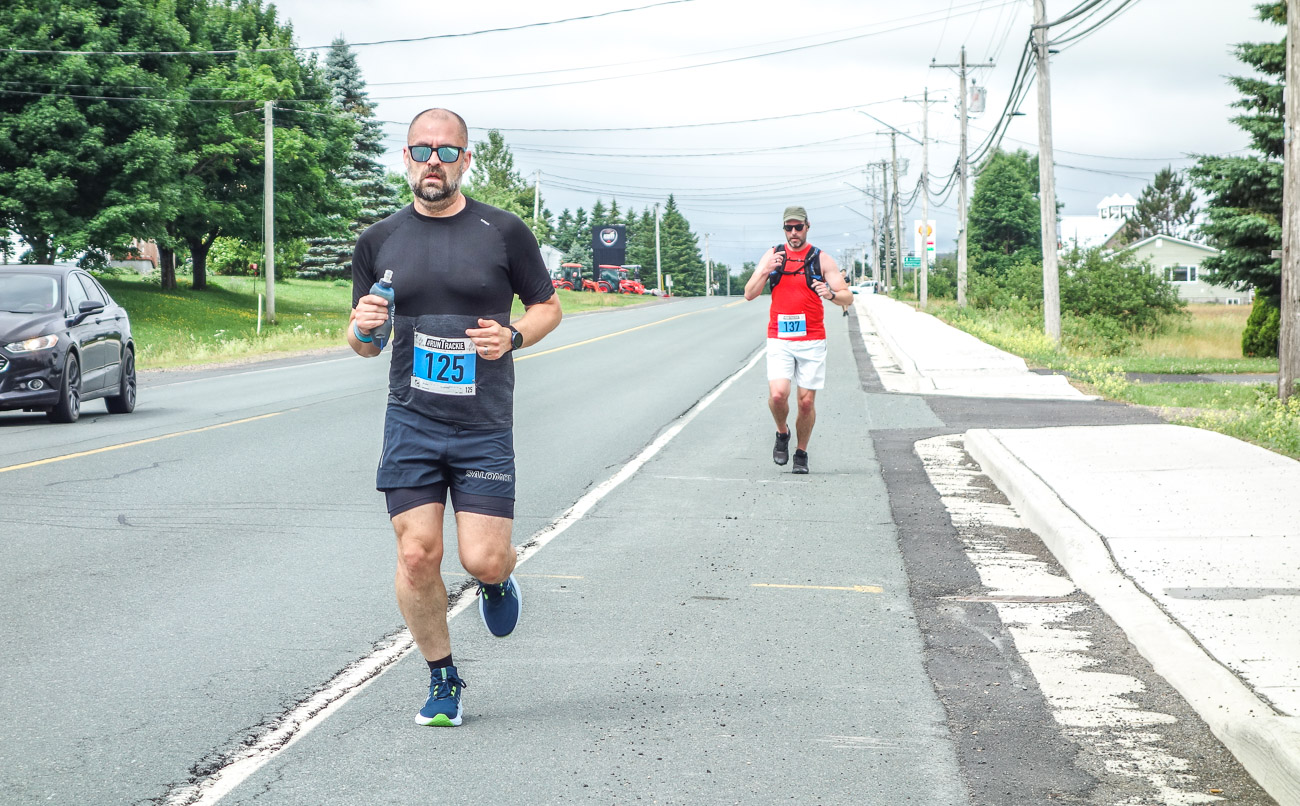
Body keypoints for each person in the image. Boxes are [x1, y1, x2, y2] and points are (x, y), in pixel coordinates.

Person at [348, 108, 562, 727]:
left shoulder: (503, 231)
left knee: (482, 559)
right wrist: (364, 329)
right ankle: (443, 678)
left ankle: (498, 581)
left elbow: (548, 307)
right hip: (411, 421)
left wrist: (514, 336)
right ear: (406, 159)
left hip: (483, 424)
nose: (433, 161)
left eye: (446, 151)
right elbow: (364, 344)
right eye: (422, 150)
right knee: (417, 555)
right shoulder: (378, 241)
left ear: (466, 159)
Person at [743, 206, 850, 474]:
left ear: (807, 227)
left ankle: (801, 453)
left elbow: (847, 296)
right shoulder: (773, 254)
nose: (793, 232)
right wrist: (765, 271)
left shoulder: (820, 259)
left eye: (798, 227)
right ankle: (782, 433)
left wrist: (831, 295)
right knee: (778, 395)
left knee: (806, 402)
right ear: (784, 229)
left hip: (812, 339)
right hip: (779, 338)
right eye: (788, 228)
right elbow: (749, 293)